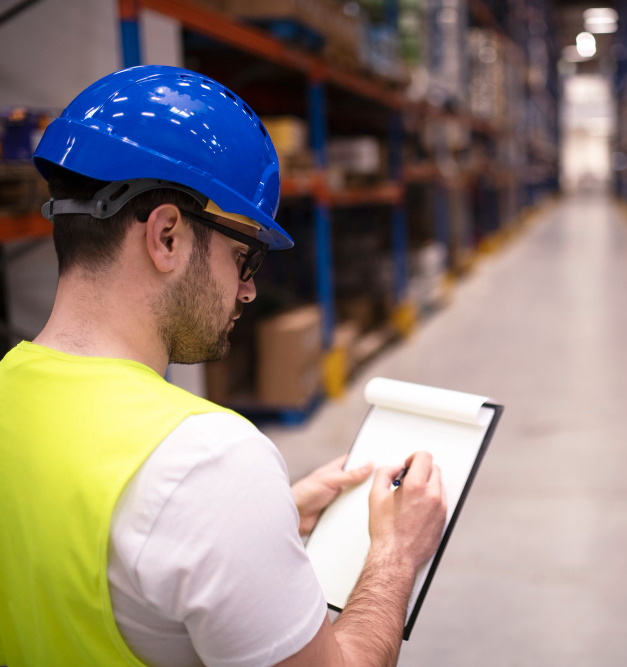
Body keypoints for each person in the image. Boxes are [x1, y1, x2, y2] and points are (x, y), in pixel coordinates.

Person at [0, 65, 447, 666]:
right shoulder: (208, 461)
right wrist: (395, 555)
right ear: (166, 237)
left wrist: (261, 520)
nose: (248, 291)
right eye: (244, 255)